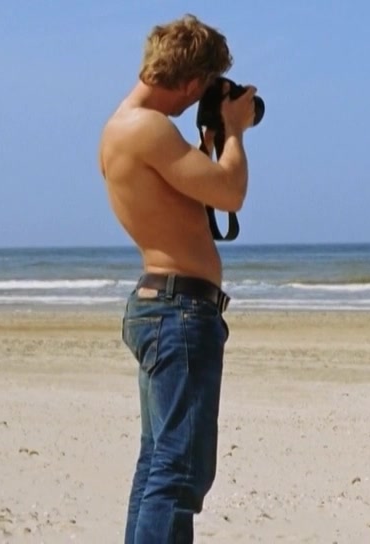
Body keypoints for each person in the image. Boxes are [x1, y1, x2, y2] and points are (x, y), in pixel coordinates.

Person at [96, 13, 258, 544]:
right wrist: (235, 132)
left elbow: (188, 200)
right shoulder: (148, 128)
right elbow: (230, 193)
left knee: (158, 465)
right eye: (205, 83)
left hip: (163, 306)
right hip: (178, 311)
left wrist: (209, 142)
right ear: (191, 81)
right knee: (179, 472)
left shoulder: (122, 127)